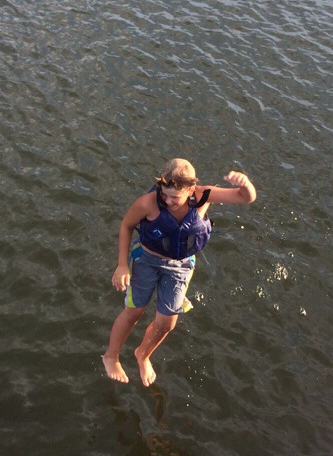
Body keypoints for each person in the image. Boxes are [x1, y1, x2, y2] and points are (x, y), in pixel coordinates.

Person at [101, 158, 257, 386]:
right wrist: (122, 265)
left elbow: (245, 197)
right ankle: (111, 356)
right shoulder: (148, 203)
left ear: (191, 190)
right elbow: (126, 225)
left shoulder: (204, 195)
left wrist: (245, 184)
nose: (168, 201)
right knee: (133, 312)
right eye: (164, 194)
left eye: (175, 197)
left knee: (166, 324)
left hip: (180, 266)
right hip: (146, 260)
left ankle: (142, 355)